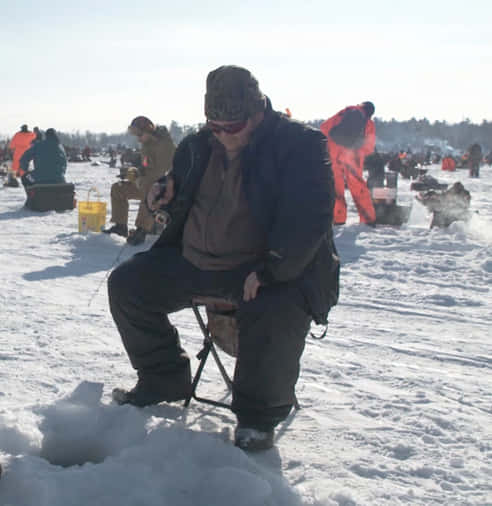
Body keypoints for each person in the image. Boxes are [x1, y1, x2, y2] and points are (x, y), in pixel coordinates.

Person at [107, 65, 338, 452]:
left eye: (232, 127)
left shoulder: (299, 145)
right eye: (215, 126)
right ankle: (163, 375)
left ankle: (258, 415)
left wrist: (271, 268)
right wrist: (162, 194)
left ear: (257, 112)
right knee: (128, 285)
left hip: (261, 267)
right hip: (194, 261)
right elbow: (181, 194)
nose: (223, 135)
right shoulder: (198, 146)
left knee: (277, 305)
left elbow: (308, 218)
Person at [103, 116, 175, 245]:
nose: (138, 139)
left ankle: (142, 230)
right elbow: (146, 167)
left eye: (139, 134)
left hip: (163, 190)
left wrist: (139, 179)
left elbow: (160, 175)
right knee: (118, 188)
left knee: (149, 188)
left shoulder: (165, 146)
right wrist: (136, 171)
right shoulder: (146, 146)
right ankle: (120, 226)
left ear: (148, 131)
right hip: (145, 183)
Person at [321, 101, 377, 225]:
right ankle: (367, 219)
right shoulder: (369, 124)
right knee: (358, 187)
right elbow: (369, 148)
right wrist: (358, 151)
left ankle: (338, 218)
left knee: (336, 188)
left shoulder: (343, 113)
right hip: (353, 156)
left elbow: (324, 128)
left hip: (334, 154)